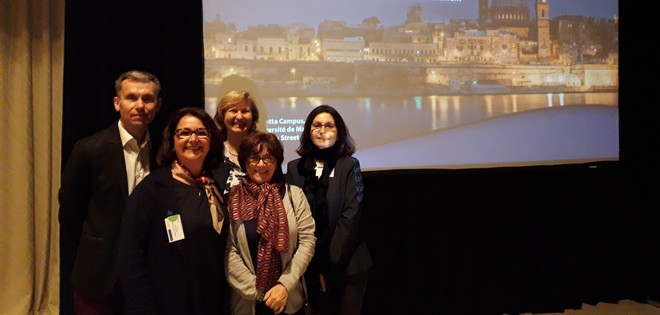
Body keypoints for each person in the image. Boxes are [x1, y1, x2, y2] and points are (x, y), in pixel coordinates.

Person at [58, 69, 162, 314]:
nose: (140, 105)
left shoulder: (164, 152)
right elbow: (70, 214)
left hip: (148, 274)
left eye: (147, 98)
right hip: (99, 275)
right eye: (131, 97)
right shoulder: (89, 149)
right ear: (117, 103)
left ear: (158, 105)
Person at [118, 107, 230, 315]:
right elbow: (130, 257)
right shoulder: (152, 189)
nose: (193, 139)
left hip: (211, 302)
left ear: (211, 140)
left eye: (201, 132)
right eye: (184, 133)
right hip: (168, 303)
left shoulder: (215, 186)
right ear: (172, 140)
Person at [285, 105, 372, 315]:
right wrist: (312, 265)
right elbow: (293, 216)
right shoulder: (294, 168)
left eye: (329, 125)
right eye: (317, 125)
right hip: (308, 267)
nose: (322, 130)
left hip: (347, 266)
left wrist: (328, 265)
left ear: (338, 132)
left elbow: (350, 216)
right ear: (308, 131)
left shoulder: (349, 165)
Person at [225, 131, 316, 315]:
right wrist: (261, 294)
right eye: (254, 158)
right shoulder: (233, 198)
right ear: (244, 161)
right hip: (249, 302)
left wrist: (283, 285)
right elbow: (230, 251)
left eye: (269, 158)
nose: (261, 164)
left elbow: (307, 242)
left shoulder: (294, 195)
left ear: (277, 162)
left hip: (289, 299)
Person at [213, 90, 260, 195]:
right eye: (233, 111)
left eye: (245, 111)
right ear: (222, 116)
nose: (239, 117)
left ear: (253, 116)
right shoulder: (214, 153)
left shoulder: (263, 151)